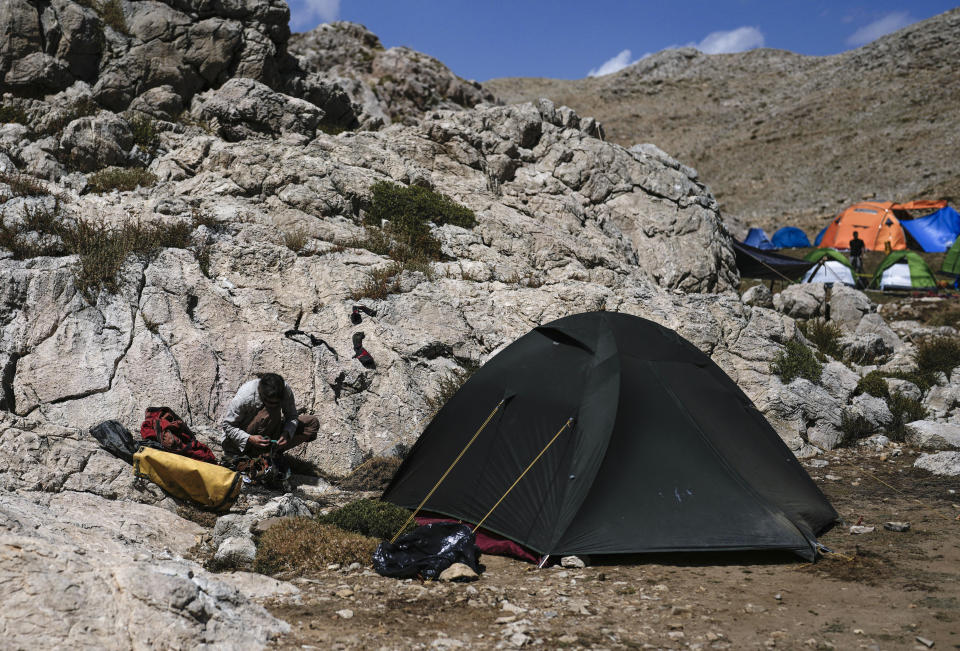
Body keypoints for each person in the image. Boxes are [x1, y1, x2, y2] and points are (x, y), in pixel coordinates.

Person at [220, 373, 319, 465]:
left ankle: (272, 452)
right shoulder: (245, 396)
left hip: (269, 433)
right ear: (261, 394)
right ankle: (255, 455)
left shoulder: (284, 390)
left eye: (277, 403)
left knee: (312, 423)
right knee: (270, 412)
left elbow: (292, 416)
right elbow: (228, 425)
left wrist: (287, 433)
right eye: (270, 402)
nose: (274, 405)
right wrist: (250, 439)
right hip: (242, 441)